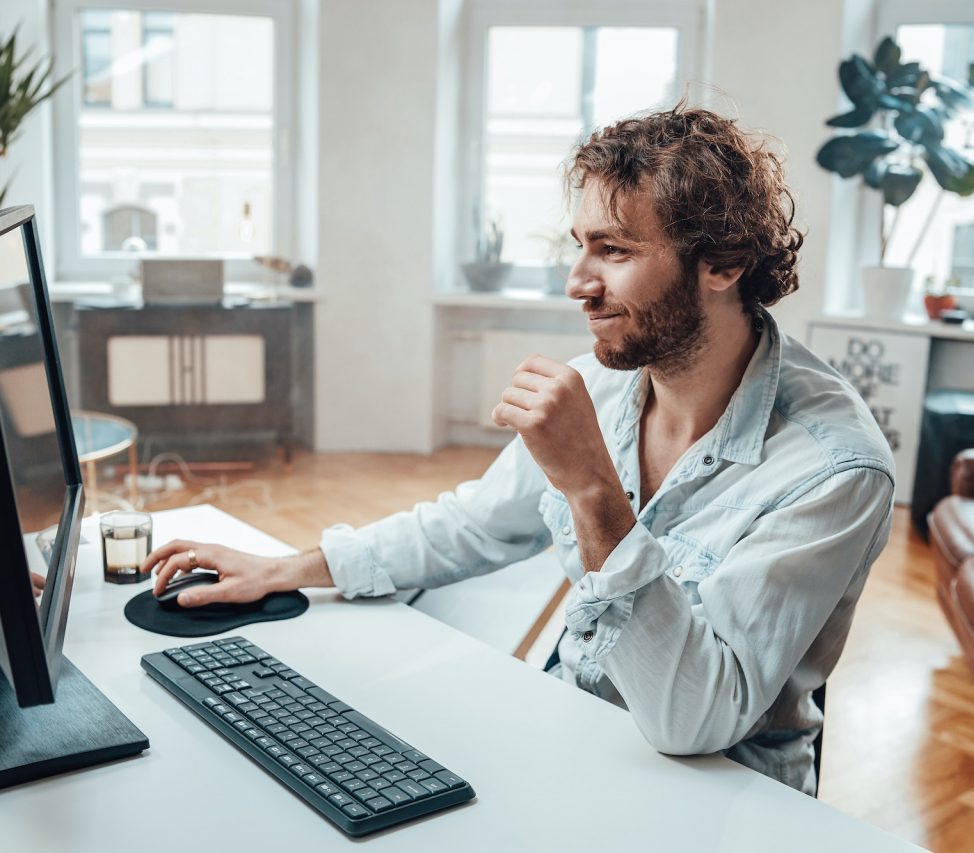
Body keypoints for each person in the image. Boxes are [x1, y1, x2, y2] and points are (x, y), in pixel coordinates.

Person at [143, 106, 895, 795]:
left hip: (724, 797)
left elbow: (694, 720)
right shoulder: (606, 386)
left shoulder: (833, 467)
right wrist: (289, 568)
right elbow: (474, 523)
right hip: (574, 732)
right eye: (579, 247)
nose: (578, 282)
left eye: (615, 249)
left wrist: (596, 492)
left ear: (724, 264)